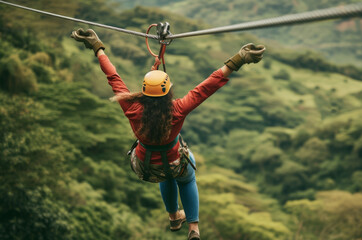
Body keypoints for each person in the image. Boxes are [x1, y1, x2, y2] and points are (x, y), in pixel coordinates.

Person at [71, 28, 265, 240]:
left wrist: (97, 47)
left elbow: (113, 76)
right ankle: (193, 228)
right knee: (185, 173)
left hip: (144, 166)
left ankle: (174, 216)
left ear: (144, 91)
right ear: (168, 92)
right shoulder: (178, 109)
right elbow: (206, 87)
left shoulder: (132, 107)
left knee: (166, 171)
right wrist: (239, 59)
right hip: (173, 163)